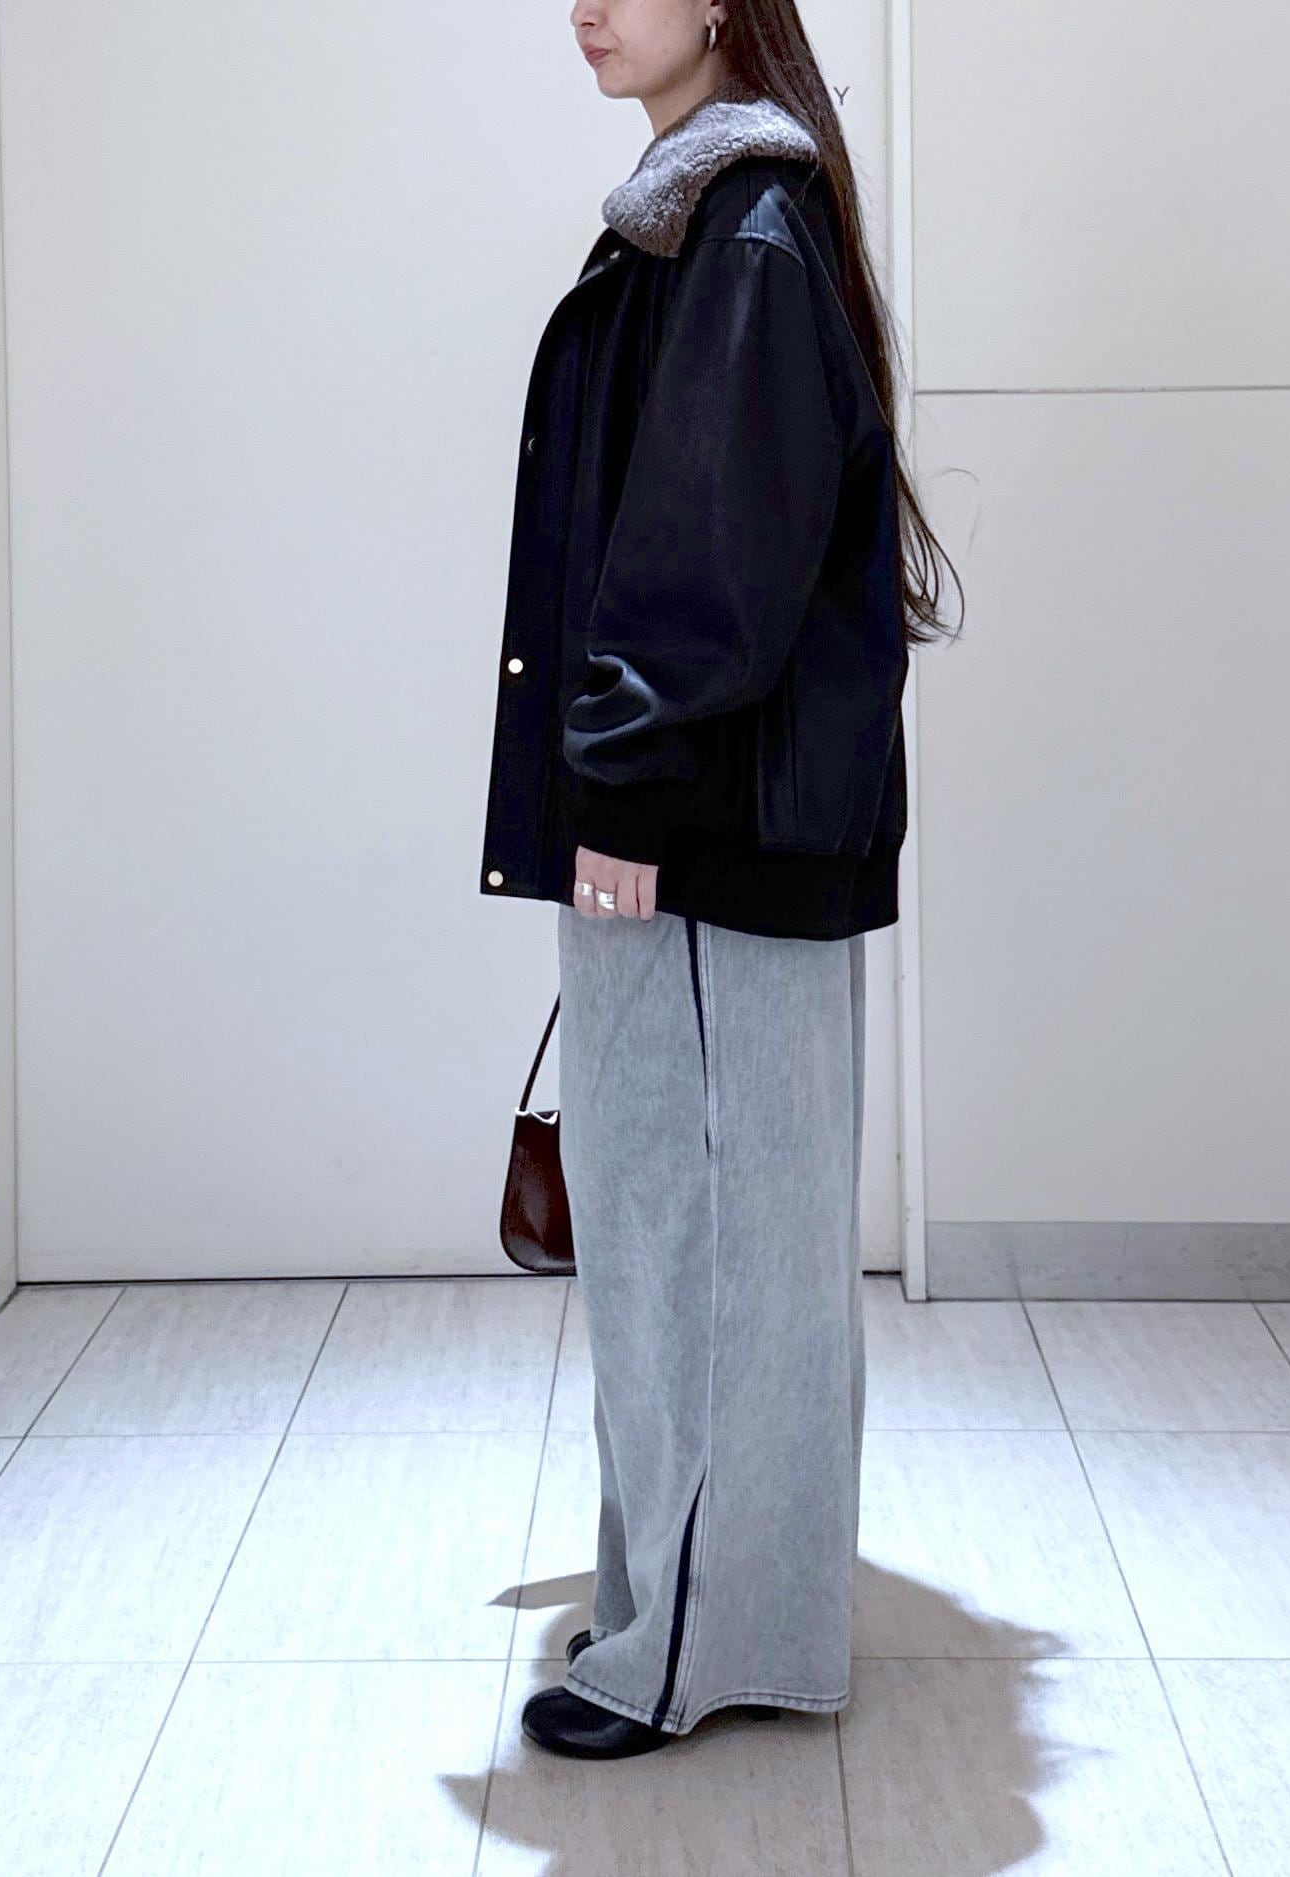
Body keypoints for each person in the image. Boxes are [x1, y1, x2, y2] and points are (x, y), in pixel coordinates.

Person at [479, 0, 961, 1759]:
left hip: (695, 838)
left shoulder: (740, 223)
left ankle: (684, 1648)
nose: (589, 6)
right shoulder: (725, 206)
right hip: (730, 832)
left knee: (692, 1245)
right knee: (724, 1234)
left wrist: (619, 794)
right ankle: (713, 1604)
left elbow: (707, 566)